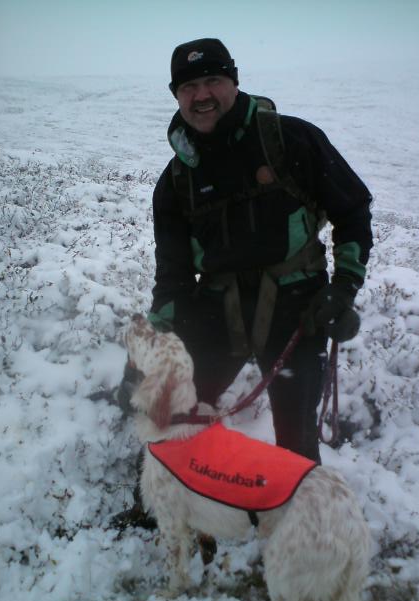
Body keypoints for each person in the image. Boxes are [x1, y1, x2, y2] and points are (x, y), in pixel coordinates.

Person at [119, 38, 373, 464]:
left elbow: (353, 211)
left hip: (298, 307)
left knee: (295, 438)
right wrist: (152, 347)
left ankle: (294, 521)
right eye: (188, 87)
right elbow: (174, 273)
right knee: (180, 416)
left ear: (234, 83)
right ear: (176, 95)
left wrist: (344, 288)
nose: (201, 96)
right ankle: (180, 517)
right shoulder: (177, 177)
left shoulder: (292, 140)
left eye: (212, 80)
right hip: (217, 309)